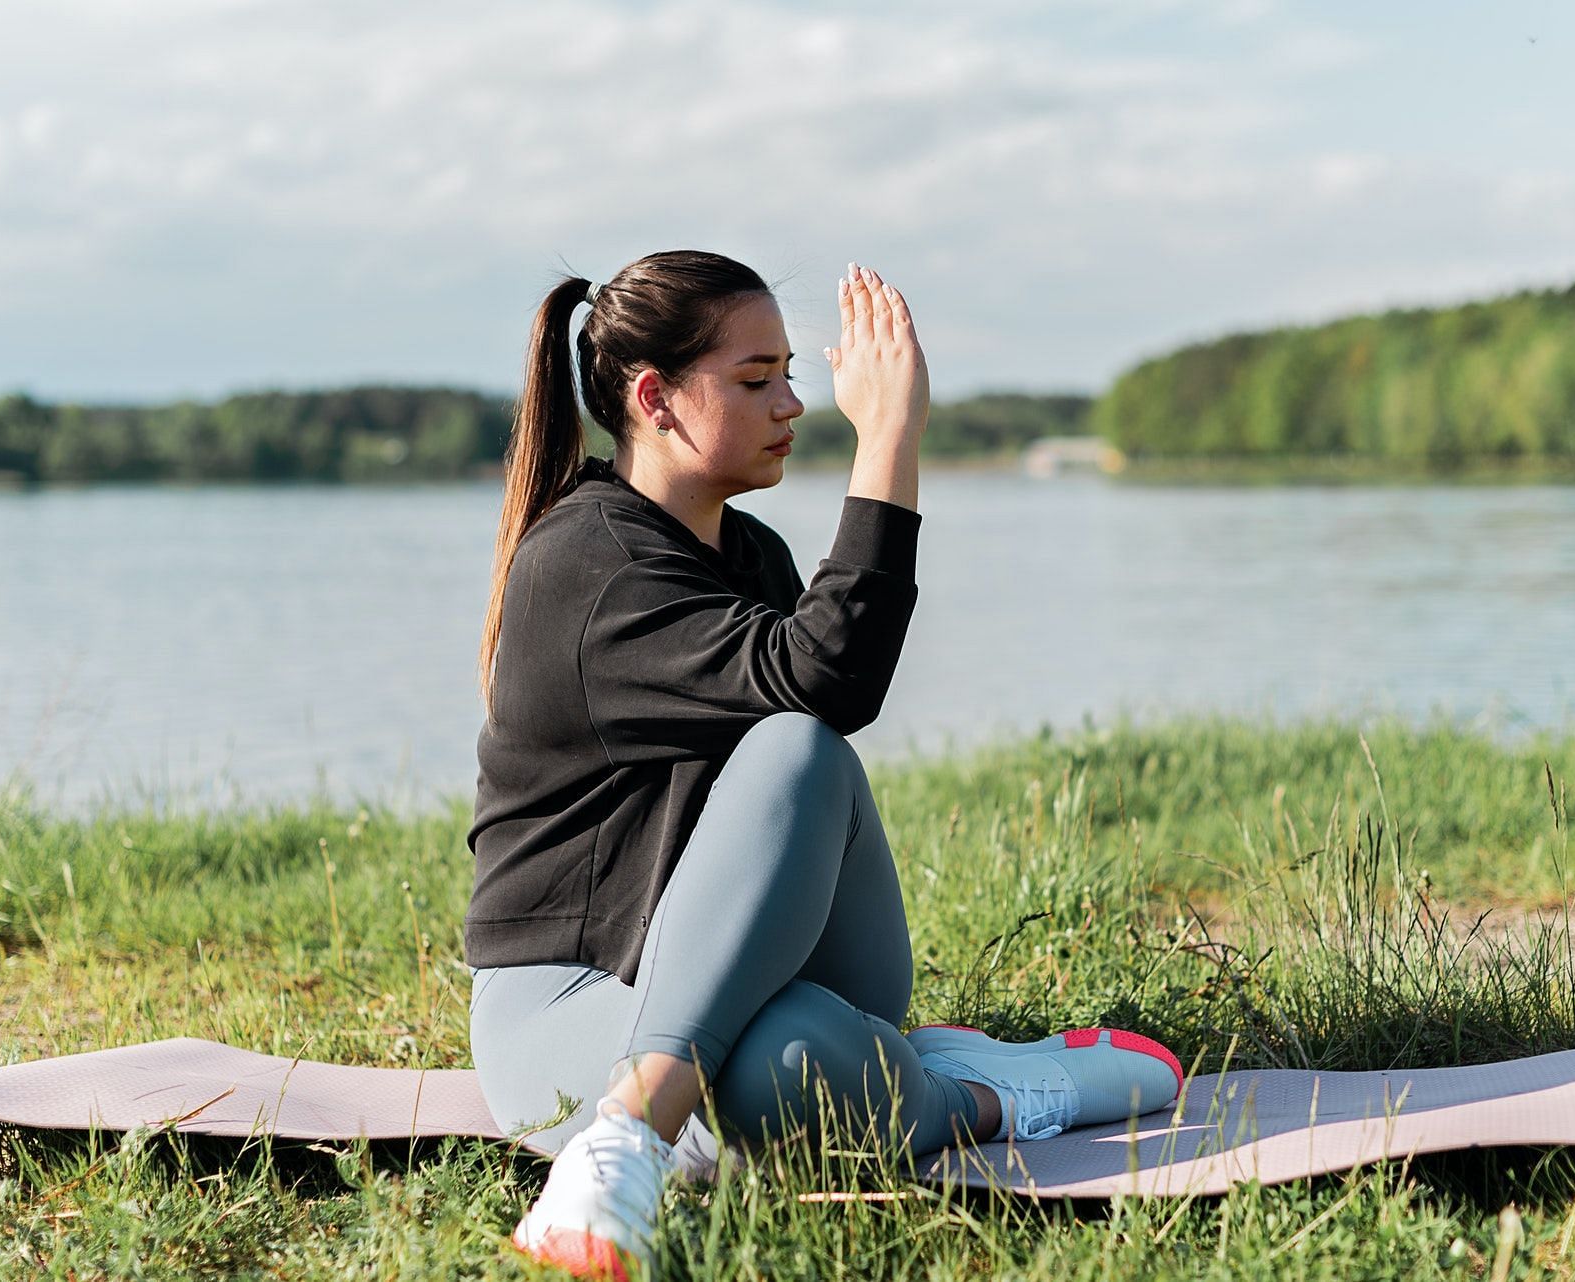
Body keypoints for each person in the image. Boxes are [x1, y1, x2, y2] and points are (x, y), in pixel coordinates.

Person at [465, 250, 1183, 1278]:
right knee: (784, 1065)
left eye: (791, 372)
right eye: (756, 380)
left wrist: (887, 436)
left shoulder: (750, 556)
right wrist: (887, 441)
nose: (795, 402)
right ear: (655, 398)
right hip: (570, 996)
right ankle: (985, 1096)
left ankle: (636, 1126)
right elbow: (828, 676)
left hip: (759, 963)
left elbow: (818, 699)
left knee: (797, 752)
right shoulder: (590, 565)